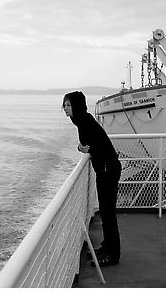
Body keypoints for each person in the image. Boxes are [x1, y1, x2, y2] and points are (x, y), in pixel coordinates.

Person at [62, 91, 121, 266]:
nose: (66, 109)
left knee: (108, 213)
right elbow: (92, 145)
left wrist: (85, 149)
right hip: (105, 169)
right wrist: (85, 148)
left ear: (77, 106)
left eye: (69, 105)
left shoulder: (85, 122)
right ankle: (107, 246)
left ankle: (113, 254)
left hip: (108, 170)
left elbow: (97, 148)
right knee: (105, 211)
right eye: (64, 105)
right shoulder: (82, 120)